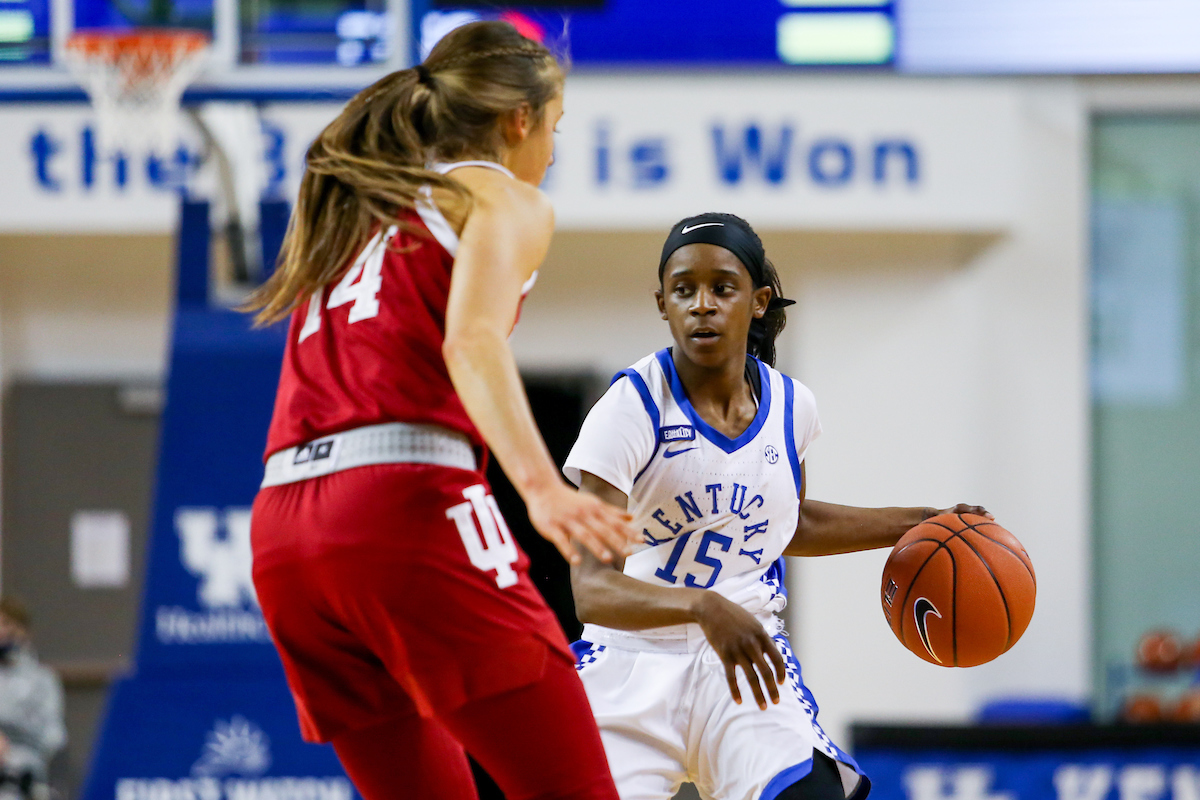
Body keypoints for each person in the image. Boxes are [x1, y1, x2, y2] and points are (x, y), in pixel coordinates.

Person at [243, 21, 635, 800]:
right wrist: (542, 488)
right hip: (399, 507)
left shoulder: (356, 210)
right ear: (517, 120)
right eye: (555, 127)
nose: (552, 153)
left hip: (283, 533)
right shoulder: (502, 197)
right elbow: (473, 342)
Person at [563, 213, 991, 800]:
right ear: (662, 304)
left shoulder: (792, 407)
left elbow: (784, 521)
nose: (703, 304)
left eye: (722, 287)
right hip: (631, 665)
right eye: (684, 290)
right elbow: (590, 589)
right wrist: (703, 608)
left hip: (744, 663)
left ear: (758, 300)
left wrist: (922, 524)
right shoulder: (630, 407)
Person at [0, 597, 65, 798]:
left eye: (8, 624)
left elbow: (53, 737)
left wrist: (9, 748)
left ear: (24, 631)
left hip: (24, 770)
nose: (3, 632)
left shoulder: (42, 679)